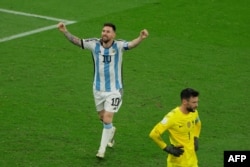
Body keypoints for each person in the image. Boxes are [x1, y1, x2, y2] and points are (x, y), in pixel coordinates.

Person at [57, 22, 149, 159]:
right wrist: (65, 31)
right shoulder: (94, 44)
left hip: (114, 90)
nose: (105, 33)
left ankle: (101, 150)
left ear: (113, 34)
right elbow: (77, 41)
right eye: (103, 31)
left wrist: (140, 38)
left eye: (108, 31)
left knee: (107, 118)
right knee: (102, 118)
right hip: (98, 89)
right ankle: (111, 131)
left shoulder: (118, 45)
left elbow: (131, 44)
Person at [149, 88, 201, 167]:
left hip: (192, 160)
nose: (196, 105)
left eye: (197, 102)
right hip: (178, 162)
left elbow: (198, 123)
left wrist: (196, 137)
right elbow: (154, 134)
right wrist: (167, 148)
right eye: (193, 102)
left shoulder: (194, 112)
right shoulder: (172, 117)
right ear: (184, 102)